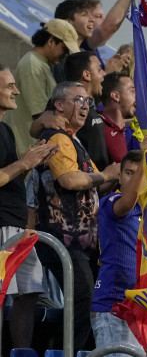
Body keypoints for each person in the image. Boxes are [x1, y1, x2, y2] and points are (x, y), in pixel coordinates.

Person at [34, 81, 120, 351]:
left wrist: (122, 177)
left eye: (88, 102)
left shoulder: (73, 140)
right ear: (59, 105)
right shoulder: (57, 137)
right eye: (79, 100)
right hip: (63, 241)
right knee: (82, 300)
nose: (86, 106)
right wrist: (106, 175)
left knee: (86, 303)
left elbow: (94, 183)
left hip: (80, 246)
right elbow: (69, 179)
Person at [0, 64, 58, 349]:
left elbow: (9, 175)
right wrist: (22, 163)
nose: (16, 91)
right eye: (10, 86)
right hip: (1, 226)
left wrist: (32, 161)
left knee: (30, 290)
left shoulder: (6, 130)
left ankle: (20, 352)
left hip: (16, 224)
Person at [91, 150, 147, 355]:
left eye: (139, 173)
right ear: (119, 176)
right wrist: (145, 160)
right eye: (128, 173)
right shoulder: (111, 201)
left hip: (141, 311)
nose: (134, 178)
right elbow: (128, 200)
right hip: (112, 309)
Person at [3, 19, 78, 156]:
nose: (65, 54)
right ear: (51, 41)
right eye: (64, 48)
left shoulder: (42, 65)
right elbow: (42, 114)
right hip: (26, 149)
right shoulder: (33, 65)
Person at [52, 0, 131, 81]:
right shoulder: (59, 56)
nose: (92, 20)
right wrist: (108, 75)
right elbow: (72, 92)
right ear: (68, 22)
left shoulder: (84, 54)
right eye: (84, 15)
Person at [99, 72, 137, 163]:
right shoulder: (98, 127)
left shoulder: (127, 132)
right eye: (132, 91)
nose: (137, 96)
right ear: (116, 96)